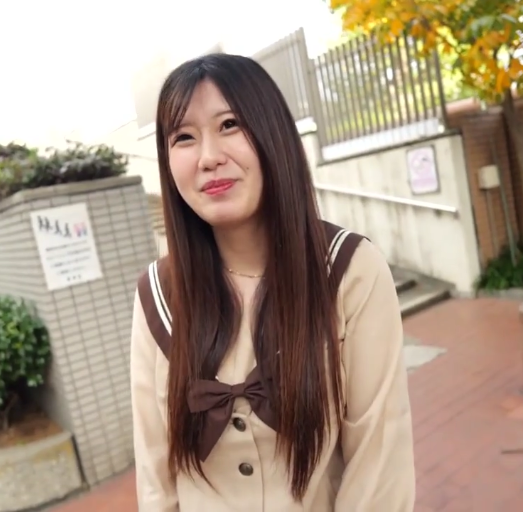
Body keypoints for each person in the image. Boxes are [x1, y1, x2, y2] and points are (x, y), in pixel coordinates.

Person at [130, 53, 415, 511]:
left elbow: (379, 462)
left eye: (229, 125)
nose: (209, 157)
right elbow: (155, 476)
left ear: (272, 133)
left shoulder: (348, 270)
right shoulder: (158, 294)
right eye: (184, 137)